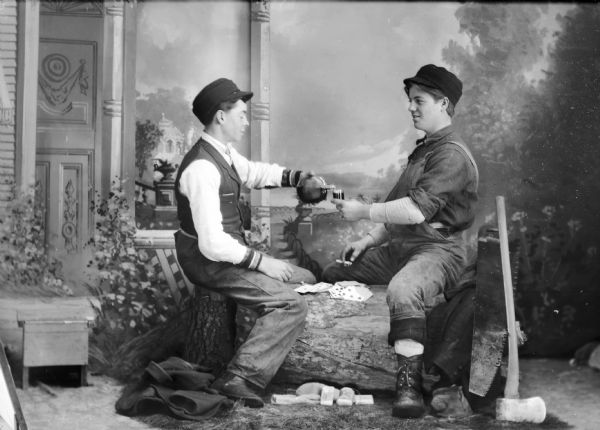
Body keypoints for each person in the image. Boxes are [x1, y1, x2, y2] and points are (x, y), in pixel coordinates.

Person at [322, 64, 479, 418]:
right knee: (335, 271)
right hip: (405, 246)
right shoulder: (424, 150)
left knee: (403, 290)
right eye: (410, 100)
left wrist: (362, 211)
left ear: (443, 103)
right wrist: (367, 239)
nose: (411, 107)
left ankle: (408, 386)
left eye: (419, 100)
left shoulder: (450, 155)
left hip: (440, 250)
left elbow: (413, 211)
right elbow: (397, 208)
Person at [174, 78, 317, 408]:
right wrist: (263, 262)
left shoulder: (223, 154)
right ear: (221, 117)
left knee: (306, 280)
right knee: (291, 303)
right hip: (206, 261)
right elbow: (211, 244)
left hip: (226, 254)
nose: (246, 120)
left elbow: (253, 173)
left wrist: (296, 178)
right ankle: (241, 376)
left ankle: (266, 341)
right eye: (241, 113)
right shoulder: (201, 168)